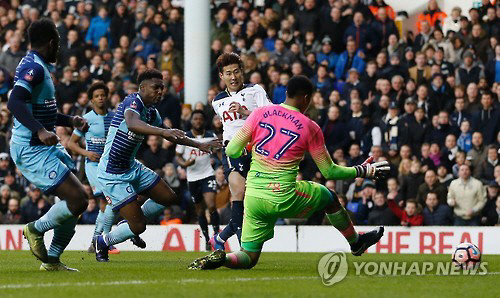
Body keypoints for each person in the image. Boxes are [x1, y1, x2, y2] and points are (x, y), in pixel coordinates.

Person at [188, 75, 390, 270]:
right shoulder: (310, 127)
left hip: (255, 196)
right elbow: (329, 171)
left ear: (286, 93)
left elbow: (231, 150)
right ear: (307, 98)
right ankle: (356, 243)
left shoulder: (259, 114)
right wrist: (364, 170)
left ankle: (223, 259)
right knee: (329, 197)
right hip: (283, 195)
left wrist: (252, 147)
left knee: (248, 257)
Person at [92, 69, 220, 262]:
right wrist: (162, 132)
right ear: (142, 88)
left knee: (168, 197)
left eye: (162, 88)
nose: (160, 91)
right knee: (139, 227)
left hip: (131, 166)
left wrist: (198, 144)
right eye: (156, 87)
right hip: (112, 173)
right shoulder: (132, 101)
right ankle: (103, 241)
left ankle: (129, 224)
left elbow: (172, 134)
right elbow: (133, 123)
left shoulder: (152, 113)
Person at [8, 19, 90, 271]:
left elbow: (40, 109)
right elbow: (14, 103)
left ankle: (52, 261)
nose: (60, 48)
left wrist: (69, 120)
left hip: (44, 145)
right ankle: (34, 230)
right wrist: (40, 130)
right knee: (78, 199)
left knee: (74, 200)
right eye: (59, 43)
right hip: (31, 148)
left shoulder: (36, 64)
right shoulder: (35, 67)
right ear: (52, 42)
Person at [67, 82, 145, 253]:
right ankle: (105, 239)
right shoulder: (85, 120)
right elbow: (70, 143)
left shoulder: (115, 116)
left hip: (113, 164)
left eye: (103, 95)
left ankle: (97, 241)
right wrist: (87, 153)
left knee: (111, 201)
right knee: (107, 200)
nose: (101, 98)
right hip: (94, 166)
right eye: (97, 96)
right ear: (91, 100)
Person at [210, 52, 273, 250]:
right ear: (222, 76)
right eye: (228, 73)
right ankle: (244, 248)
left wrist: (246, 112)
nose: (233, 77)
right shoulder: (217, 101)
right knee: (238, 190)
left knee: (255, 200)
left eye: (236, 71)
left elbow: (271, 116)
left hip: (257, 150)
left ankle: (222, 237)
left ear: (242, 72)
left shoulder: (256, 90)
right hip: (233, 149)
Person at [175, 110, 220, 251]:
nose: (198, 121)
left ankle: (217, 236)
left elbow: (218, 151)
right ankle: (207, 239)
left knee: (211, 205)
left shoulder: (210, 136)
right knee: (200, 211)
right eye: (195, 119)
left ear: (204, 121)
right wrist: (184, 164)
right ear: (191, 121)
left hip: (208, 174)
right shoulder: (185, 137)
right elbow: (178, 156)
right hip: (193, 178)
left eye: (201, 119)